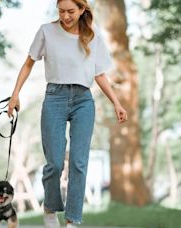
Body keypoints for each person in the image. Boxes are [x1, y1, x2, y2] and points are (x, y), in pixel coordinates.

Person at [7, 0, 127, 227]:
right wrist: (15, 95)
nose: (65, 16)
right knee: (54, 161)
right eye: (61, 11)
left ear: (82, 9)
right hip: (55, 97)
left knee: (79, 162)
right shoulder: (46, 31)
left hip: (84, 100)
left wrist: (117, 103)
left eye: (71, 11)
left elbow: (99, 74)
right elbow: (28, 63)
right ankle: (51, 206)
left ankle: (72, 220)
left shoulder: (93, 35)